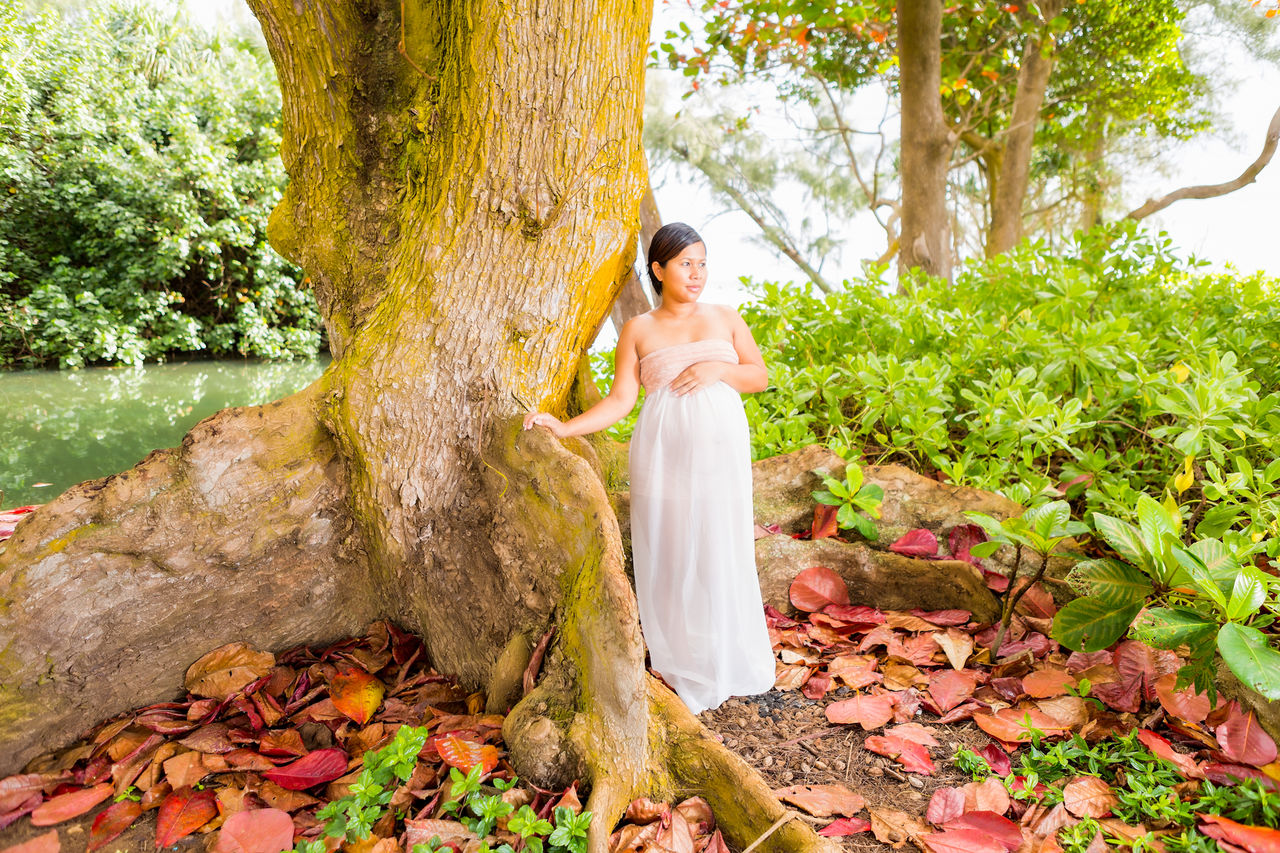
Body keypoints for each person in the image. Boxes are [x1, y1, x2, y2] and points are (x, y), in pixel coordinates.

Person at [523, 222, 776, 714]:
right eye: (686, 264)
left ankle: (728, 654)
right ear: (658, 270)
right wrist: (564, 428)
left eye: (702, 263)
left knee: (722, 543)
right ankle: (684, 660)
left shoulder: (725, 316)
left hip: (722, 454)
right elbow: (621, 400)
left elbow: (758, 376)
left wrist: (718, 369)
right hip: (664, 452)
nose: (697, 273)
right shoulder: (640, 329)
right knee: (674, 545)